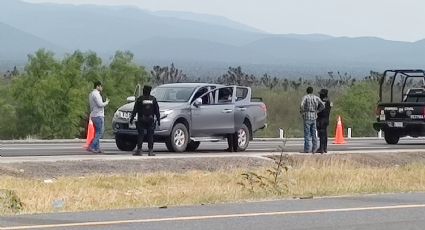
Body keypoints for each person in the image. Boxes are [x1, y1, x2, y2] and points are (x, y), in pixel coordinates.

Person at [130, 85, 160, 156]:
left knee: (141, 135)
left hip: (141, 119)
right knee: (150, 136)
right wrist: (158, 120)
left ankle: (139, 150)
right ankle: (150, 151)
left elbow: (135, 110)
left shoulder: (140, 99)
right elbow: (157, 110)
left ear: (144, 90)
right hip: (150, 119)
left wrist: (131, 119)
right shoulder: (153, 99)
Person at [300, 87, 324, 154]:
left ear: (307, 91)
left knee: (307, 133)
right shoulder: (316, 98)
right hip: (314, 116)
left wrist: (302, 112)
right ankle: (314, 149)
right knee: (314, 133)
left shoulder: (305, 97)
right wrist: (318, 111)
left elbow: (301, 105)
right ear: (312, 91)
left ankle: (307, 149)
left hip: (307, 115)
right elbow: (322, 105)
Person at [88, 81, 109, 153]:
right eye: (101, 86)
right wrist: (106, 102)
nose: (102, 88)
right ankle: (92, 146)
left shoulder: (91, 94)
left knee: (97, 132)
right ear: (97, 86)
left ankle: (97, 148)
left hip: (93, 114)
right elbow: (100, 104)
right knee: (100, 132)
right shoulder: (96, 94)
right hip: (98, 115)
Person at [317, 89, 332, 154]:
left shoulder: (321, 102)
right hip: (326, 119)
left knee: (321, 134)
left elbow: (319, 111)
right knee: (325, 134)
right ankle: (325, 148)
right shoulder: (328, 102)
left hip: (321, 119)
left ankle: (321, 148)